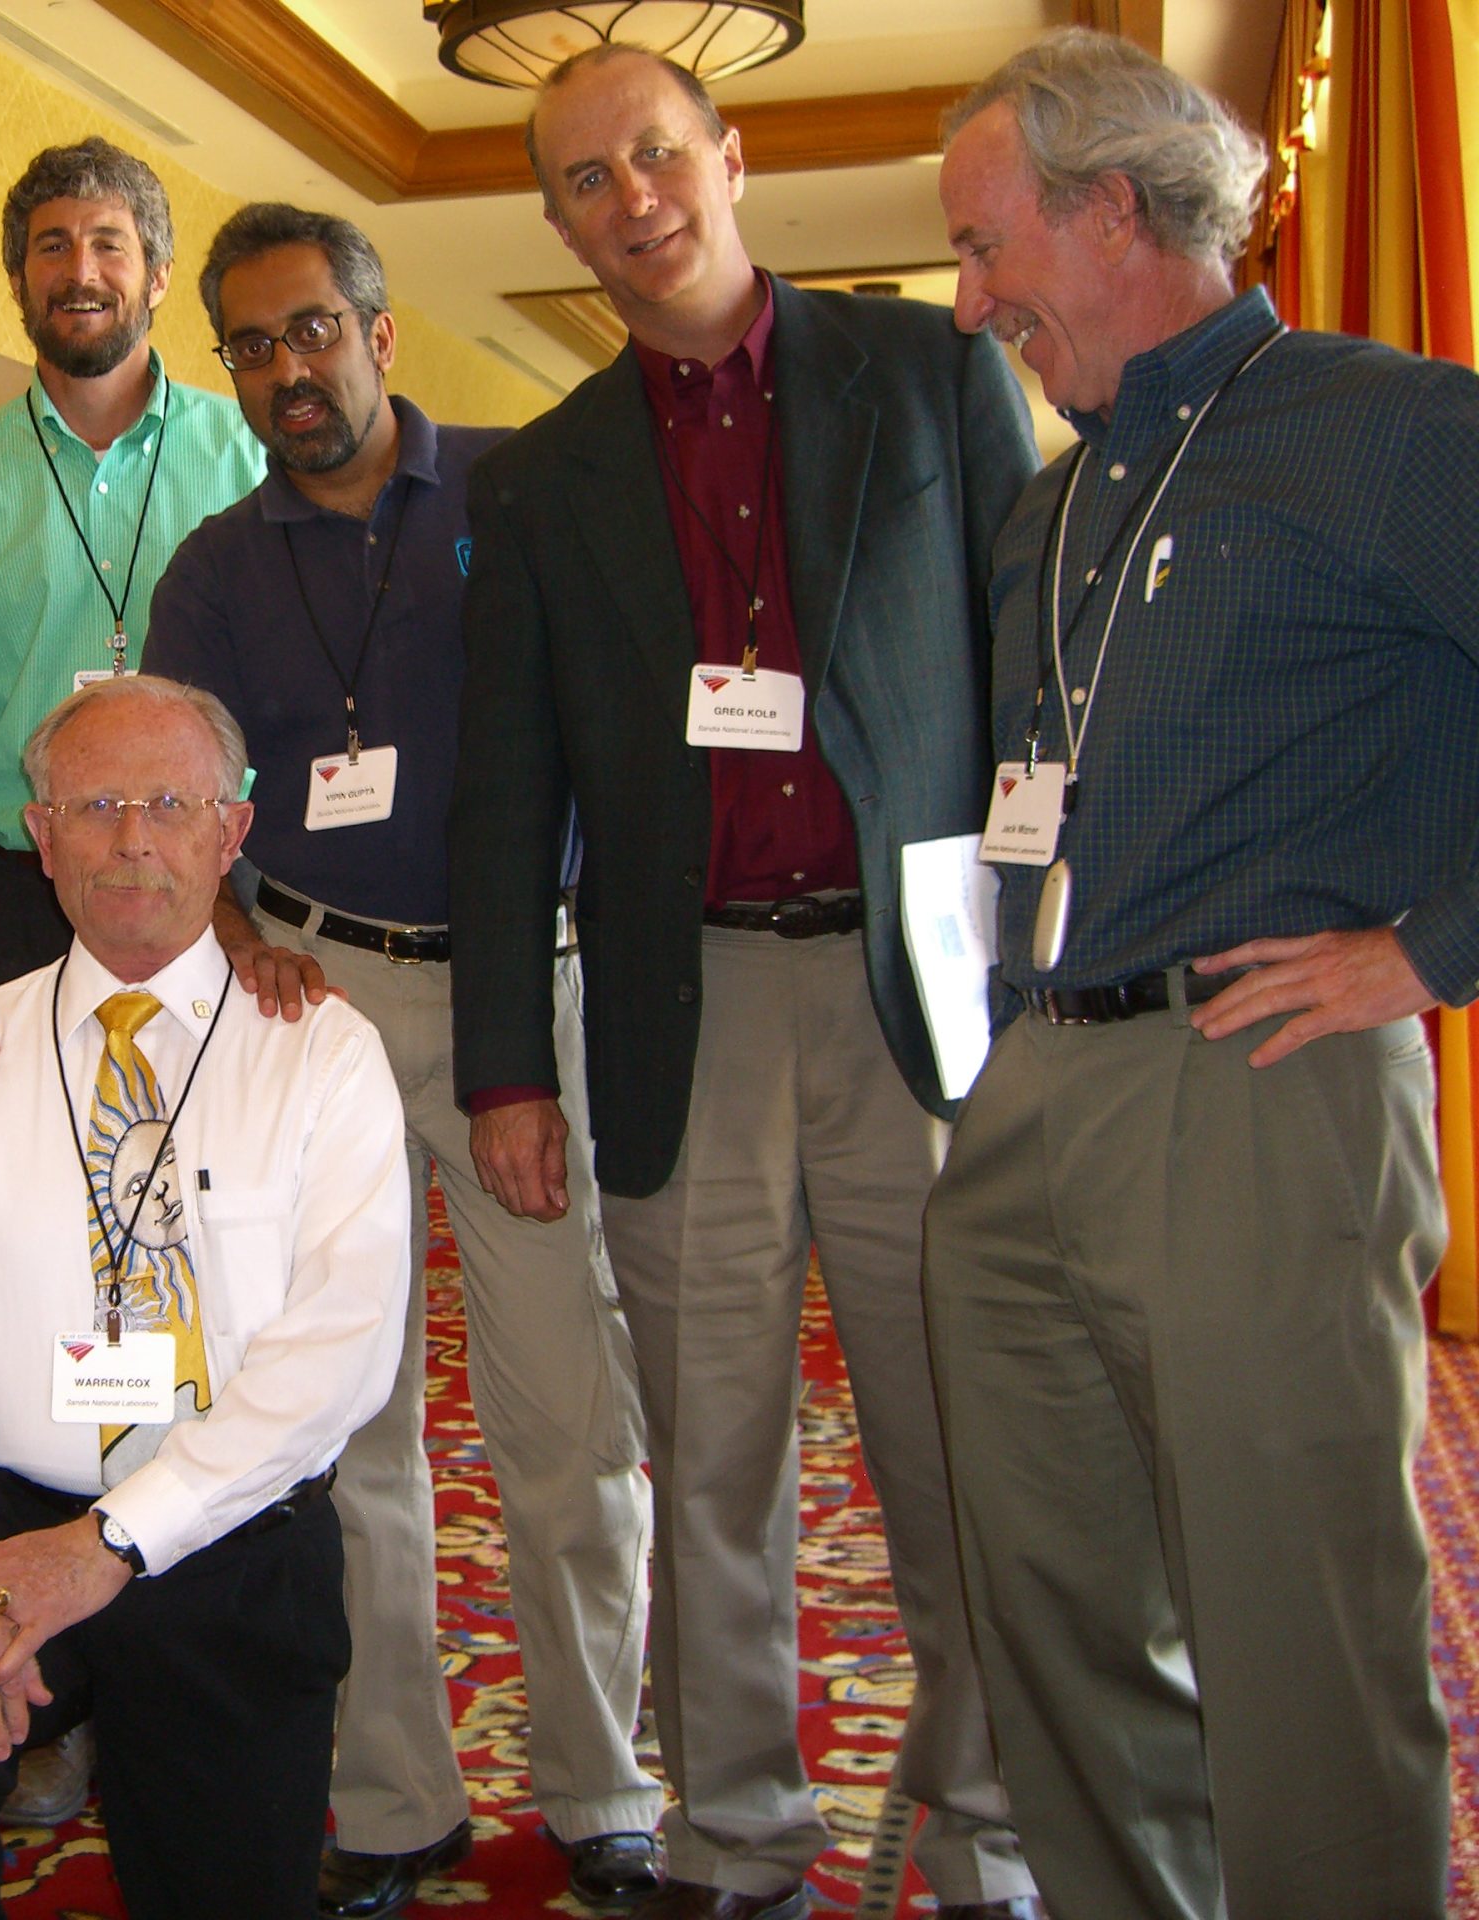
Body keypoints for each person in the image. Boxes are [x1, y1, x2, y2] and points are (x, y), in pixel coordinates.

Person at [448, 49, 1045, 1920]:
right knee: (709, 1462)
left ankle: (991, 1834)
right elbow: (504, 798)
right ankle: (737, 1835)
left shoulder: (934, 380)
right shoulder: (542, 482)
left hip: (911, 1009)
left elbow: (1028, 692)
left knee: (965, 1449)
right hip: (677, 1016)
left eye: (655, 153)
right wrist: (503, 1071)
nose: (632, 198)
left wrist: (1043, 983)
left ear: (732, 155)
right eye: (583, 179)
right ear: (555, 221)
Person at [928, 30, 1474, 1919]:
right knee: (1060, 1628)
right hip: (1034, 1100)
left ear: (1109, 210)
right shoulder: (1049, 503)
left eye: (989, 249)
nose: (973, 298)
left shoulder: (1390, 424)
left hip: (1256, 1087)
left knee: (1295, 1637)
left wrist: (1429, 948)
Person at [143, 203, 661, 1919]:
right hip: (320, 1009)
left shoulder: (519, 491)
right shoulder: (216, 568)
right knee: (345, 1422)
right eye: (252, 346)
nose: (289, 369)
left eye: (313, 330)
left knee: (564, 1414)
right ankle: (393, 1799)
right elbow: (181, 801)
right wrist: (235, 949)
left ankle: (601, 1787)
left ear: (379, 328)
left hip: (531, 1000)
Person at [0, 674, 412, 1920]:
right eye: (92, 806)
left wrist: (111, 1547)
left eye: (167, 803)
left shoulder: (321, 1053)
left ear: (231, 832)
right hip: (4, 1521)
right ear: (38, 836)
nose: (132, 839)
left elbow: (338, 1354)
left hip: (231, 1536)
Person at [0, 136, 264, 993]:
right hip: (12, 899)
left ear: (158, 276)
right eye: (51, 246)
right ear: (17, 282)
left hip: (220, 894)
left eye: (108, 243)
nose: (79, 269)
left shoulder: (256, 458)